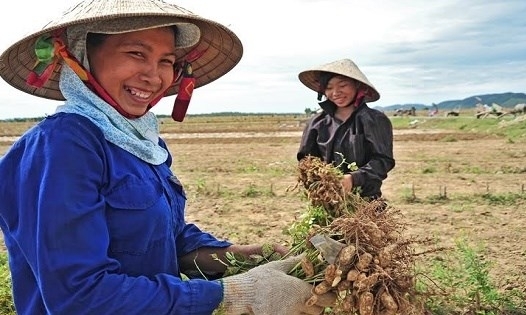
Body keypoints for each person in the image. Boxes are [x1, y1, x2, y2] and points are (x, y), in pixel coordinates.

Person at [0, 0, 333, 314]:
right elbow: (79, 296)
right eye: (136, 53)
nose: (154, 75)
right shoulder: (63, 146)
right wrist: (232, 294)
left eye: (166, 61)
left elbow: (166, 240)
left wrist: (244, 257)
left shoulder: (140, 142)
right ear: (81, 57)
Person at [297, 58, 395, 201]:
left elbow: (383, 161)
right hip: (327, 202)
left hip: (366, 204)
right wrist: (320, 183)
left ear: (358, 86)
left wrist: (353, 179)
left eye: (342, 85)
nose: (335, 92)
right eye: (329, 88)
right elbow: (306, 161)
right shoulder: (317, 123)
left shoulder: (374, 120)